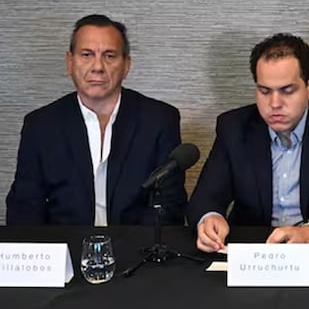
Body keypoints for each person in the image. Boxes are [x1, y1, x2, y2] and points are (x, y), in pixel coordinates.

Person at [189, 33, 309, 252]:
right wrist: (210, 219)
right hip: (256, 250)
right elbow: (205, 197)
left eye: (287, 91)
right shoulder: (234, 127)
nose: (274, 103)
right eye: (265, 91)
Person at [6, 14, 187, 225]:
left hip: (135, 248)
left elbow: (170, 204)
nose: (98, 67)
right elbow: (25, 206)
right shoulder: (40, 125)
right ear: (70, 62)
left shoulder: (159, 119)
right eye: (86, 55)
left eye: (109, 56)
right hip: (66, 248)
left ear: (126, 65)